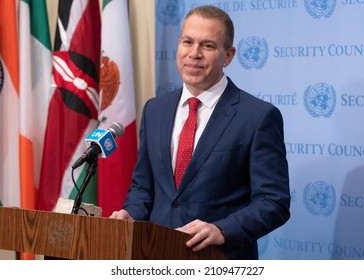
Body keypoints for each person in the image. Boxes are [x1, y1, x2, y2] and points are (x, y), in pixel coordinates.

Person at [110, 5, 290, 260]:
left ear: (228, 56)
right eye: (188, 42)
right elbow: (143, 188)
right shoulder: (154, 110)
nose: (194, 54)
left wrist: (222, 230)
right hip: (154, 255)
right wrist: (131, 214)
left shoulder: (258, 116)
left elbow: (273, 202)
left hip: (218, 259)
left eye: (207, 46)